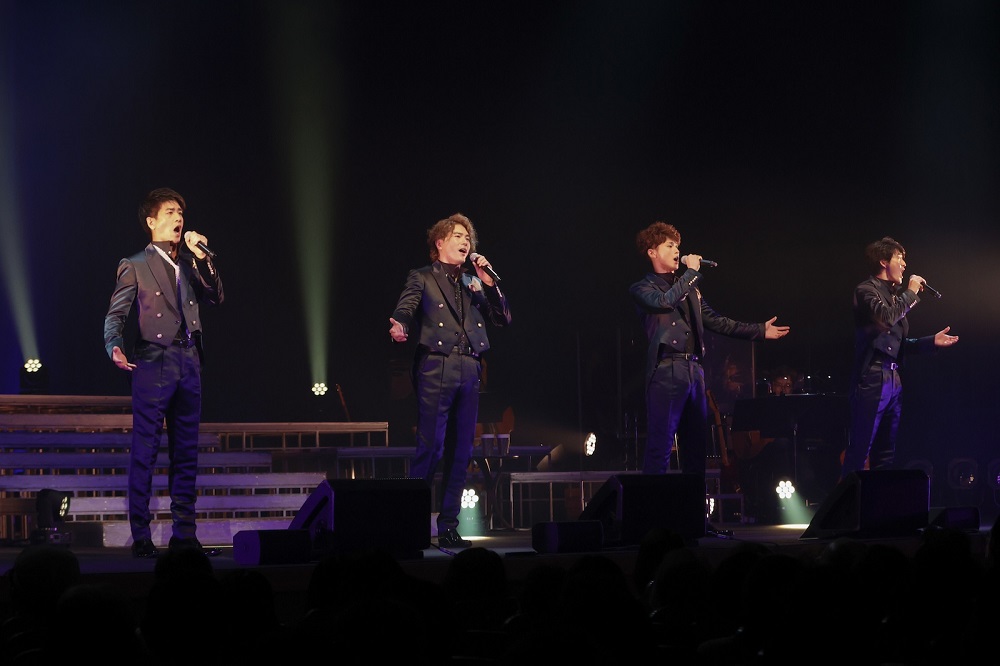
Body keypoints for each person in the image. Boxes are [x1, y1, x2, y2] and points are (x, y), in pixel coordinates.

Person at [104, 187, 224, 558]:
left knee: (186, 452)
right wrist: (114, 345)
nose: (178, 218)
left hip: (189, 360)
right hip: (153, 359)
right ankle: (141, 534)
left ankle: (184, 534)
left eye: (181, 213)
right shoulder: (135, 263)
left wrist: (202, 257)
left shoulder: (189, 263)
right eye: (170, 212)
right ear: (151, 221)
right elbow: (116, 314)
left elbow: (216, 296)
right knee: (146, 450)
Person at [629, 221, 789, 484]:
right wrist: (692, 273)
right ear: (652, 252)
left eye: (677, 246)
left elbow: (717, 321)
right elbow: (664, 302)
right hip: (666, 370)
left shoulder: (689, 287)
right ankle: (652, 508)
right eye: (669, 246)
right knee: (660, 447)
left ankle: (694, 510)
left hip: (694, 371)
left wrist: (759, 330)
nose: (677, 251)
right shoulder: (642, 288)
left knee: (696, 449)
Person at [389, 213, 511, 548]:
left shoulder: (473, 281)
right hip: (436, 365)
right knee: (431, 447)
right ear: (439, 242)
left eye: (468, 238)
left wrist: (490, 284)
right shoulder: (423, 276)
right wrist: (400, 324)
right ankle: (410, 525)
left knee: (461, 452)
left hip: (469, 367)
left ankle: (448, 526)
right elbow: (406, 306)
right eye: (458, 236)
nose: (465, 242)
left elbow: (502, 318)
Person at [840, 236, 957, 478]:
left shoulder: (894, 297)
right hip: (872, 377)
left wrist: (929, 342)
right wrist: (911, 292)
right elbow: (885, 319)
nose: (904, 264)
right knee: (861, 450)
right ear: (884, 261)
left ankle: (880, 500)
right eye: (899, 258)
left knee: (886, 453)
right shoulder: (866, 290)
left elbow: (897, 345)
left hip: (893, 379)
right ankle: (848, 499)